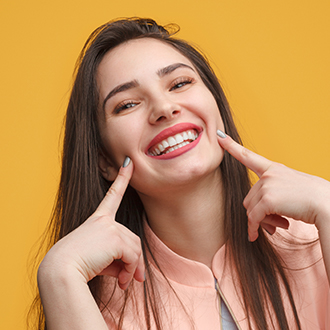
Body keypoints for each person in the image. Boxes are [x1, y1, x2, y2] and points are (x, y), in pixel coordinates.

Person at [33, 18, 330, 329]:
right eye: (128, 104)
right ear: (103, 159)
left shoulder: (317, 240)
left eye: (180, 84)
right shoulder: (91, 305)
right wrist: (59, 275)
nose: (164, 107)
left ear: (216, 106)